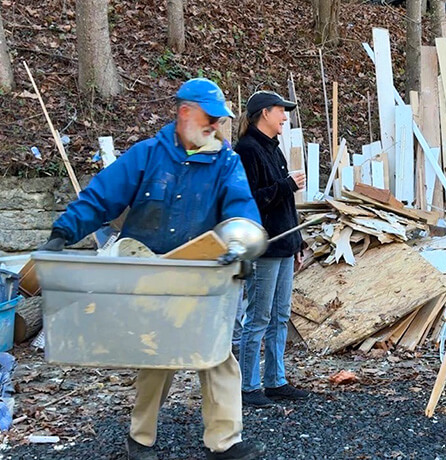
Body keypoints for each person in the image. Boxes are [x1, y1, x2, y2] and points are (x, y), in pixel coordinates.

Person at [38, 78, 266, 460]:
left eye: (219, 120)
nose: (215, 126)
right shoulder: (146, 155)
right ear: (184, 113)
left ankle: (225, 442)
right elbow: (102, 195)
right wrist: (63, 232)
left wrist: (241, 246)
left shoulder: (227, 164)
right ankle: (140, 439)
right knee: (157, 355)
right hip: (152, 276)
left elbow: (241, 209)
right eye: (209, 118)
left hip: (202, 276)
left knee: (218, 357)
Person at [233, 90, 308, 408]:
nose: (285, 117)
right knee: (258, 317)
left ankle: (275, 381)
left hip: (283, 244)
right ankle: (248, 386)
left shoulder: (272, 149)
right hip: (263, 247)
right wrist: (286, 185)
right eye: (281, 111)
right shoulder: (247, 150)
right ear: (264, 113)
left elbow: (284, 206)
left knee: (279, 317)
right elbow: (251, 201)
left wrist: (298, 242)